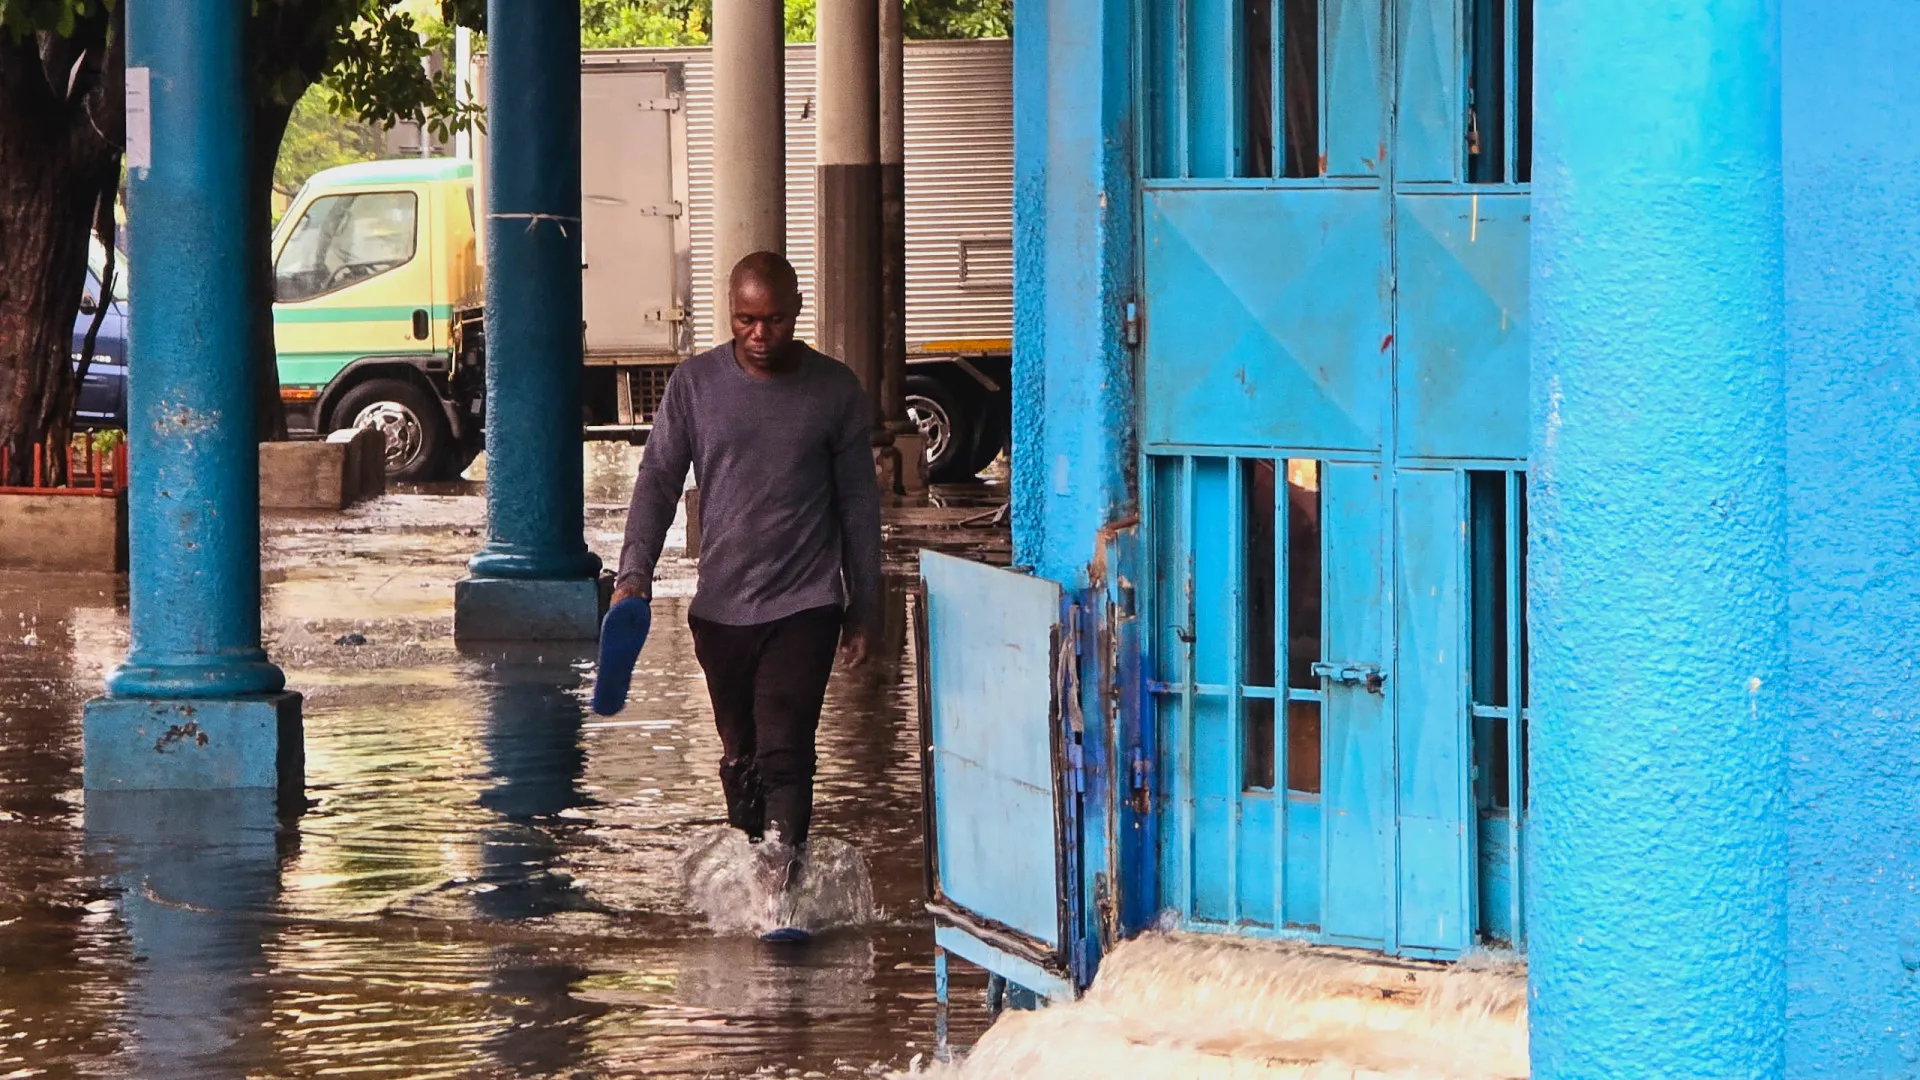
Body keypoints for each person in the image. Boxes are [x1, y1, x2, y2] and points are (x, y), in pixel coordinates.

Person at [614, 251, 883, 892]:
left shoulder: (834, 389)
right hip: (722, 610)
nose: (761, 335)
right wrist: (634, 577)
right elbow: (656, 481)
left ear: (795, 314)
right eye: (746, 320)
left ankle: (778, 898)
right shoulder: (695, 387)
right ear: (730, 314)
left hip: (806, 603)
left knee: (786, 749)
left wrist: (864, 605)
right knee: (742, 759)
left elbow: (858, 505)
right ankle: (752, 873)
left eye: (775, 321)